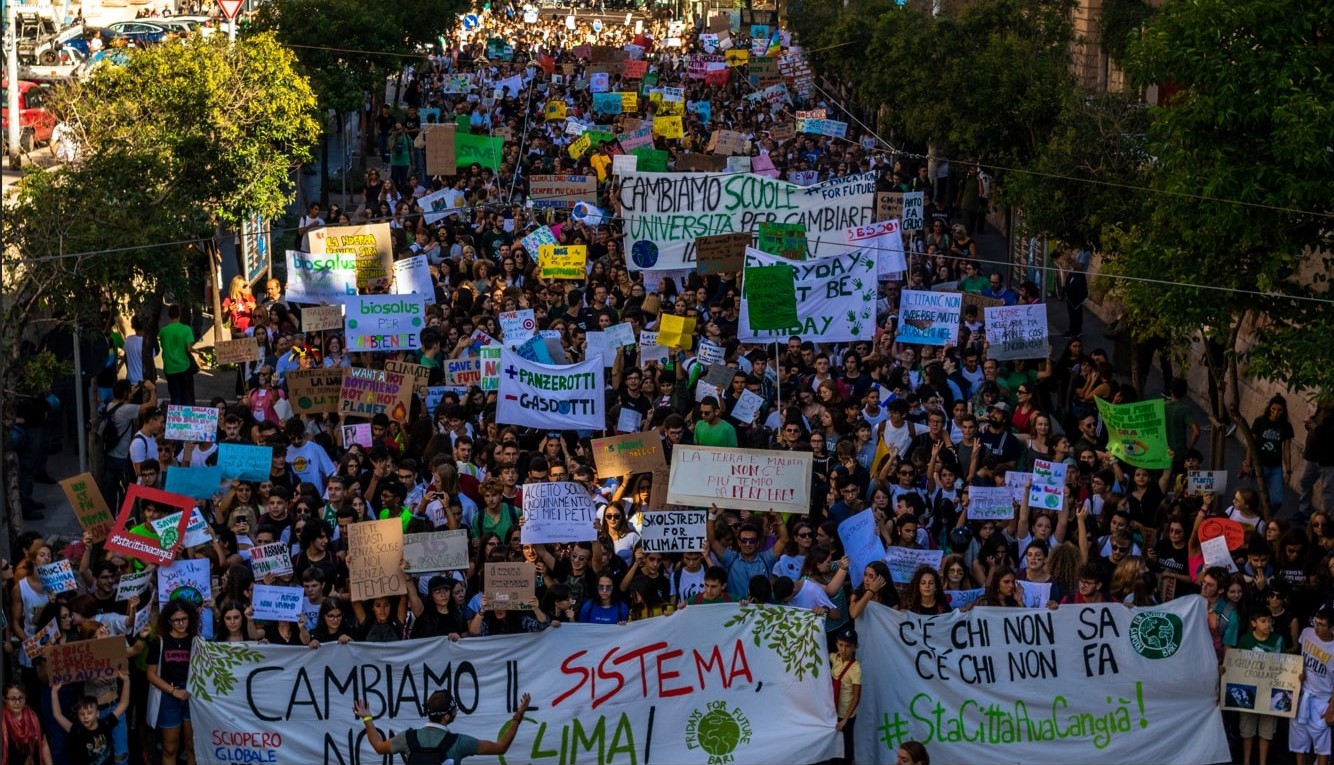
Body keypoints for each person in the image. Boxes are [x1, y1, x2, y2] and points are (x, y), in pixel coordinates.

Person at [353, 689, 531, 761]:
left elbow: (377, 746)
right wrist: (518, 716)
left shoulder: (407, 738)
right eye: (454, 710)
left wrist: (367, 719)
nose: (456, 712)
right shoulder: (460, 743)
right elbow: (501, 747)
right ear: (446, 717)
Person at [50, 672, 131, 765]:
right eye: (82, 714)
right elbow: (57, 715)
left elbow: (124, 704)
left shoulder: (105, 724)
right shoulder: (77, 730)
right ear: (78, 716)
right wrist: (54, 692)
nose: (86, 717)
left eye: (89, 713)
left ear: (97, 713)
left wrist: (126, 681)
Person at [1293, 607, 1334, 765]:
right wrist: (1299, 671)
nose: (1316, 627)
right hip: (1302, 695)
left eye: (1322, 625)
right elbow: (1299, 658)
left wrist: (1331, 709)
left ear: (1332, 628)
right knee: (1299, 742)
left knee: (1322, 745)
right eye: (1316, 623)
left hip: (1323, 700)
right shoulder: (1306, 633)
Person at [830, 629, 861, 765]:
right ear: (837, 644)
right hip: (832, 710)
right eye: (841, 645)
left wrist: (845, 720)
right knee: (834, 744)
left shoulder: (856, 668)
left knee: (846, 745)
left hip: (846, 714)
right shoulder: (834, 658)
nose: (844, 649)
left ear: (855, 648)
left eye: (848, 646)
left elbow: (856, 697)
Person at [158, 304, 198, 406]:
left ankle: (175, 418)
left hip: (169, 368)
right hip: (183, 366)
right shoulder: (186, 329)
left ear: (168, 315)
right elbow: (188, 348)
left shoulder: (163, 331)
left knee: (175, 396)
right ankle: (186, 419)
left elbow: (163, 345)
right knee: (186, 396)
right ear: (179, 314)